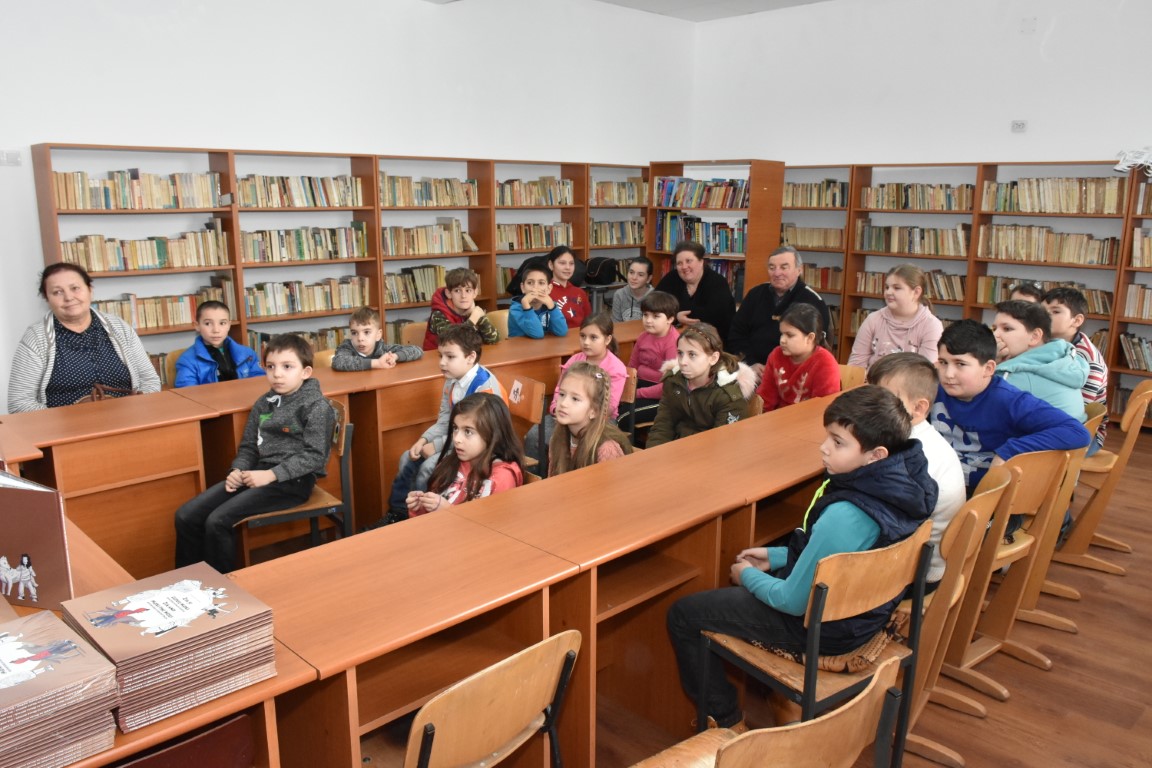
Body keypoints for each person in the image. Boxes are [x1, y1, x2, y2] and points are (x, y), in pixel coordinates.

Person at [666, 386, 936, 730]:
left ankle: (724, 721)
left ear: (875, 455)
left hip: (823, 630)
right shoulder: (907, 483)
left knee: (684, 614)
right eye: (828, 437)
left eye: (838, 442)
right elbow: (844, 555)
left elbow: (792, 602)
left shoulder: (847, 514)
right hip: (865, 614)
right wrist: (777, 555)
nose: (824, 447)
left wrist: (746, 575)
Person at [174, 334, 335, 573]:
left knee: (217, 521)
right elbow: (249, 446)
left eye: (287, 367)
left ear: (306, 372)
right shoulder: (264, 402)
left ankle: (223, 587)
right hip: (258, 473)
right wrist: (237, 469)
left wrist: (271, 475)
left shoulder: (317, 407)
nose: (277, 374)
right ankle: (190, 582)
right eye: (270, 367)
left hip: (294, 481)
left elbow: (314, 456)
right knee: (186, 515)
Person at [930, 319, 1090, 496]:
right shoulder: (932, 388)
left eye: (960, 364)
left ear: (988, 368)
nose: (948, 374)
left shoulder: (1009, 400)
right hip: (938, 484)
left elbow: (1077, 432)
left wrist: (1009, 451)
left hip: (986, 495)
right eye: (943, 362)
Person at [376, 324, 505, 526]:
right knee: (407, 457)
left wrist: (436, 446)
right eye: (440, 356)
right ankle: (400, 513)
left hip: (480, 447)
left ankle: (428, 522)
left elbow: (479, 433)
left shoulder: (484, 388)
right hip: (458, 439)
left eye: (450, 357)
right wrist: (424, 439)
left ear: (470, 357)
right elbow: (445, 419)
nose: (442, 362)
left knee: (429, 468)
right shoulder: (451, 379)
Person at [867, 353, 966, 586]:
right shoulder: (921, 439)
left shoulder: (910, 457)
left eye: (883, 398)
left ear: (918, 408)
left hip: (917, 574)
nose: (869, 405)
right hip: (922, 558)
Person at [9, 262, 160, 412]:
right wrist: (67, 421)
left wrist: (134, 411)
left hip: (126, 418)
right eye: (57, 292)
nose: (68, 297)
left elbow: (150, 381)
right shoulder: (36, 338)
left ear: (90, 290)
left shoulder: (119, 327)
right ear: (47, 299)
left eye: (75, 288)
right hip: (64, 425)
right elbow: (19, 403)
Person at [525, 313, 628, 468]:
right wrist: (556, 408)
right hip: (569, 414)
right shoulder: (574, 360)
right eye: (582, 336)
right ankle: (540, 476)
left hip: (600, 419)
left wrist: (581, 413)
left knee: (585, 447)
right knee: (535, 435)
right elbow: (560, 389)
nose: (586, 342)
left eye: (593, 337)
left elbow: (609, 405)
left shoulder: (616, 367)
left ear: (607, 340)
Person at [405, 393, 524, 514]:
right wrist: (420, 508)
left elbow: (492, 524)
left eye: (468, 431)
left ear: (492, 435)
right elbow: (432, 516)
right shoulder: (452, 463)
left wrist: (448, 511)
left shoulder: (502, 477)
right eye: (455, 428)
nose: (456, 439)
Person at [727, 245, 831, 370]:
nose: (777, 273)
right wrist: (750, 363)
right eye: (772, 268)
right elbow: (736, 334)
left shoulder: (813, 301)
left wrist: (778, 370)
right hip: (751, 368)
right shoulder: (755, 294)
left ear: (799, 270)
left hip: (793, 371)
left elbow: (815, 347)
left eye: (784, 267)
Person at [646, 323, 749, 448]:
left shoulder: (728, 396)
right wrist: (653, 454)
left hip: (708, 454)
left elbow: (724, 445)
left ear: (713, 358)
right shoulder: (674, 382)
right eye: (680, 353)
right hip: (677, 449)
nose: (683, 362)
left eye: (692, 355)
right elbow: (662, 426)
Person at [991, 300, 1088, 421]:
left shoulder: (1013, 376)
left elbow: (977, 412)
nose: (995, 335)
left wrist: (990, 362)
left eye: (1007, 329)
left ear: (1035, 336)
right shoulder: (1058, 358)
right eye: (994, 328)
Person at [1043, 287, 1108, 452]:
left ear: (1077, 320)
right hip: (1054, 420)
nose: (1044, 316)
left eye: (1055, 311)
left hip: (1084, 434)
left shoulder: (1086, 358)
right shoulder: (1046, 344)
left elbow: (1078, 411)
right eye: (1042, 311)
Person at [548, 362, 634, 477]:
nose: (563, 403)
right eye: (562, 394)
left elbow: (616, 487)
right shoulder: (558, 438)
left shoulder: (606, 449)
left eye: (575, 399)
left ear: (594, 411)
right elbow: (552, 482)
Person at [848, 264, 943, 367]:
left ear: (916, 292)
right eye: (887, 287)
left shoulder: (931, 326)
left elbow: (926, 371)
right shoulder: (873, 319)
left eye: (897, 288)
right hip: (872, 377)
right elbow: (856, 364)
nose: (888, 292)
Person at [756, 303, 840, 412]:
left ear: (810, 338)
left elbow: (823, 410)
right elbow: (764, 400)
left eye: (789, 335)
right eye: (782, 334)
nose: (782, 340)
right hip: (778, 418)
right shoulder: (776, 354)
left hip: (810, 420)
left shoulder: (826, 363)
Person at [654, 241, 736, 341]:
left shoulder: (717, 282)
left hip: (713, 340)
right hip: (677, 337)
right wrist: (676, 317)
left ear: (701, 262)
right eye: (679, 263)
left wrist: (672, 315)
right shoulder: (672, 277)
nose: (684, 267)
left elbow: (710, 316)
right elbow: (653, 303)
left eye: (688, 261)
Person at [173, 300, 263, 387]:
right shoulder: (187, 360)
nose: (216, 330)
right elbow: (187, 391)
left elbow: (260, 382)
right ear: (197, 326)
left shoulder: (248, 354)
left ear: (229, 325)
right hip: (208, 398)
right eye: (208, 324)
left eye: (222, 323)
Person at [626, 290, 680, 428]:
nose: (648, 320)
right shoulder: (643, 336)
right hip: (639, 386)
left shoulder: (674, 343)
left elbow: (668, 386)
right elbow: (631, 368)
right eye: (645, 315)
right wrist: (625, 389)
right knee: (610, 405)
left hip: (662, 395)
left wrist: (636, 393)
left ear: (670, 319)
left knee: (624, 416)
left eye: (656, 316)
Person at [422, 267, 500, 350]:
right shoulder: (438, 315)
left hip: (465, 355)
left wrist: (480, 318)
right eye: (457, 291)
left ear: (475, 293)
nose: (463, 296)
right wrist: (473, 319)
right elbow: (456, 342)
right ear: (448, 293)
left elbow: (493, 339)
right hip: (438, 356)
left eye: (468, 290)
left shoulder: (474, 311)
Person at [332, 306, 423, 371]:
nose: (360, 338)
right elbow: (338, 362)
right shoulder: (346, 347)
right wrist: (377, 363)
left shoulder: (382, 348)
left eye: (366, 332)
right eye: (354, 333)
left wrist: (395, 356)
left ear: (378, 335)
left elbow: (417, 350)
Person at [509, 262, 568, 338]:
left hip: (545, 344)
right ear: (523, 288)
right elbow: (537, 334)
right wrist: (526, 306)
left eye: (541, 283)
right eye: (530, 283)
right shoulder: (515, 309)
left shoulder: (550, 305)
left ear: (549, 288)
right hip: (520, 345)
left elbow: (562, 331)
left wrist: (552, 307)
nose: (535, 288)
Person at [547, 246, 591, 326]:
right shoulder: (545, 292)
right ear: (551, 265)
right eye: (562, 263)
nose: (568, 267)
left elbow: (589, 321)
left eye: (571, 263)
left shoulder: (580, 292)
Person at [610, 256, 654, 322]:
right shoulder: (619, 294)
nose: (634, 278)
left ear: (649, 279)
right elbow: (616, 324)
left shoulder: (655, 297)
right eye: (631, 272)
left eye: (640, 275)